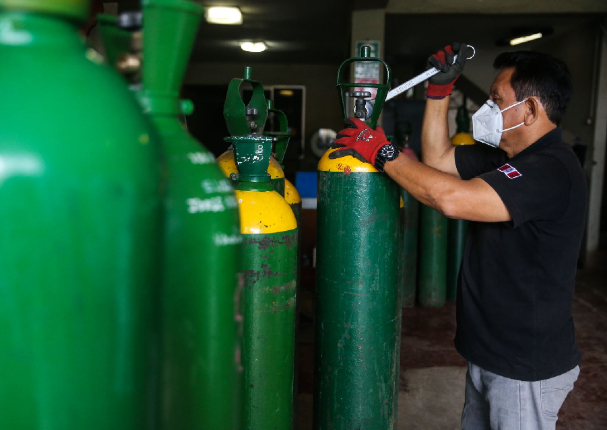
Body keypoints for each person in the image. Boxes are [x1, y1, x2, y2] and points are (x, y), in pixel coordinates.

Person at [330, 44, 587, 430]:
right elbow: (438, 160)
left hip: (524, 365)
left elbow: (451, 199)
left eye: (496, 100)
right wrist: (439, 91)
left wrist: (380, 151)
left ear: (531, 110)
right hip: (489, 353)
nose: (488, 110)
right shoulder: (508, 157)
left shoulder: (551, 170)